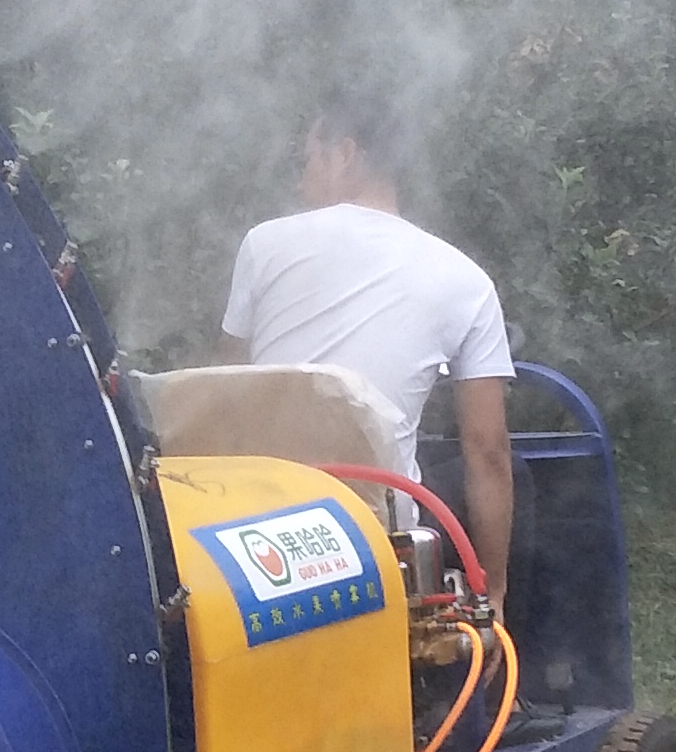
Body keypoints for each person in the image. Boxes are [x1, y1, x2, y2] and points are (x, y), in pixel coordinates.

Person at [218, 90, 515, 592]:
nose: (301, 175)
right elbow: (487, 453)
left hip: (259, 531)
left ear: (346, 154)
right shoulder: (464, 279)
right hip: (379, 536)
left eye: (309, 156)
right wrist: (495, 592)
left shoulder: (263, 244)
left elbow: (224, 393)